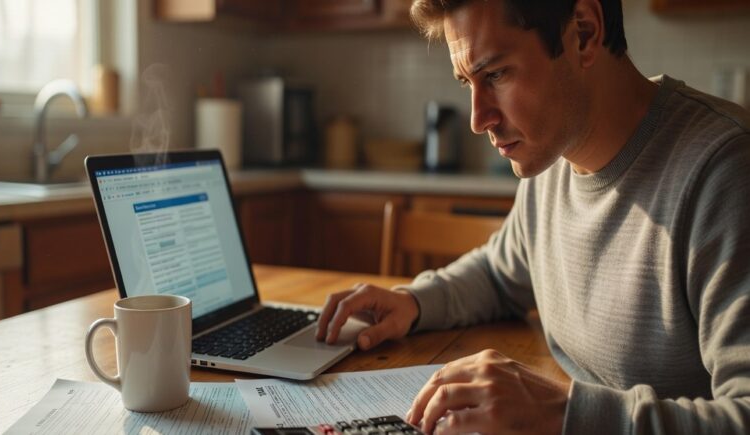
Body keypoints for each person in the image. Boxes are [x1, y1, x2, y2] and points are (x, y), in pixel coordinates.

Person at [315, 0, 750, 433]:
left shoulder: (726, 170)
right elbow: (499, 275)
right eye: (467, 83)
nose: (477, 118)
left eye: (496, 74)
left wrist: (561, 413)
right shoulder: (553, 156)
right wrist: (413, 303)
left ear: (582, 31)